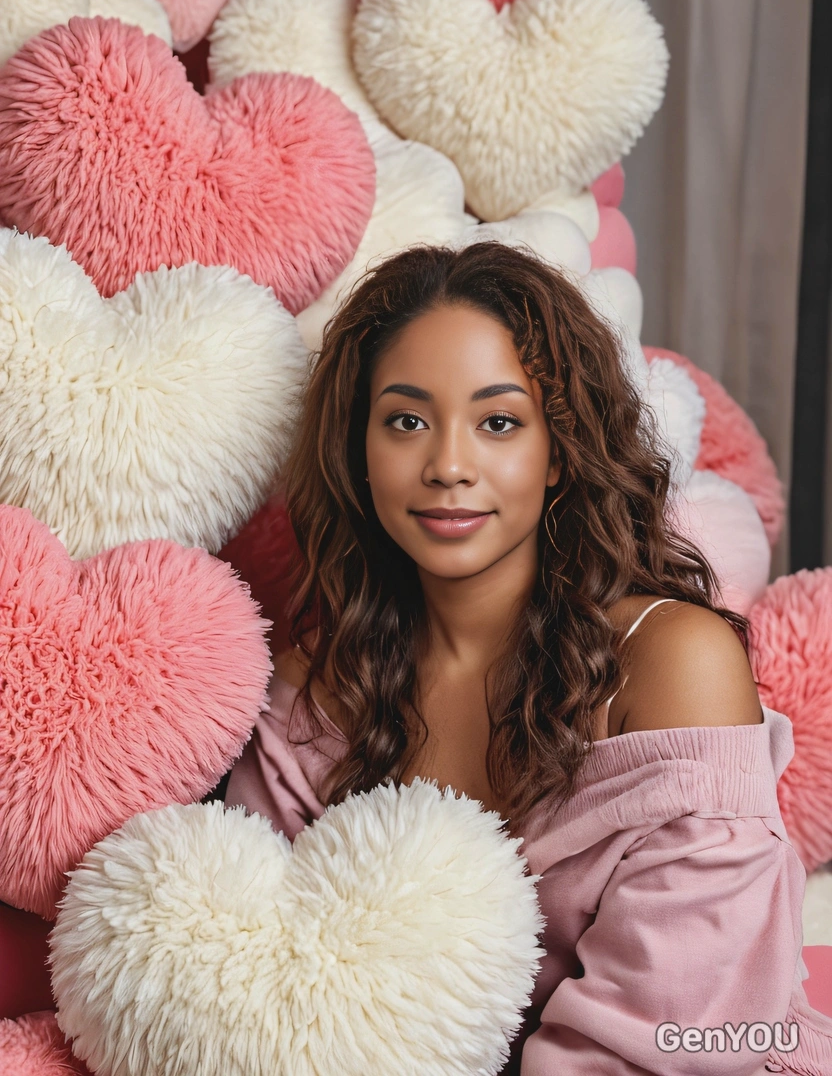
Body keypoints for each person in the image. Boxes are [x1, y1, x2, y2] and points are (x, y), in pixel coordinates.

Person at [226, 242, 832, 1074]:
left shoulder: (671, 662)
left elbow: (681, 1030)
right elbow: (262, 983)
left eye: (499, 422)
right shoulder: (311, 692)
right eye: (406, 420)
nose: (447, 466)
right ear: (359, 451)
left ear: (559, 452)